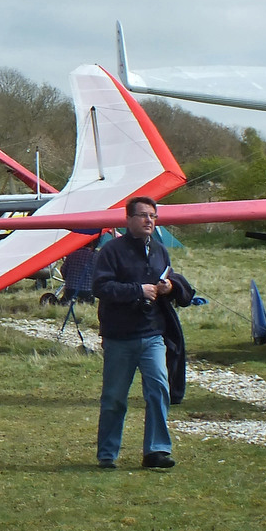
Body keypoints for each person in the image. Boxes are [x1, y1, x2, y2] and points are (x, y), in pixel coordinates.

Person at [91, 196, 194, 470]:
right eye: (143, 215)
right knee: (114, 398)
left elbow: (166, 277)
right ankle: (107, 454)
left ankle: (156, 451)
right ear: (128, 220)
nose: (149, 220)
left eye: (153, 216)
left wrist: (169, 288)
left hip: (152, 335)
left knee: (159, 389)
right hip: (119, 337)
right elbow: (100, 287)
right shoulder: (110, 251)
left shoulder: (160, 250)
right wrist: (138, 290)